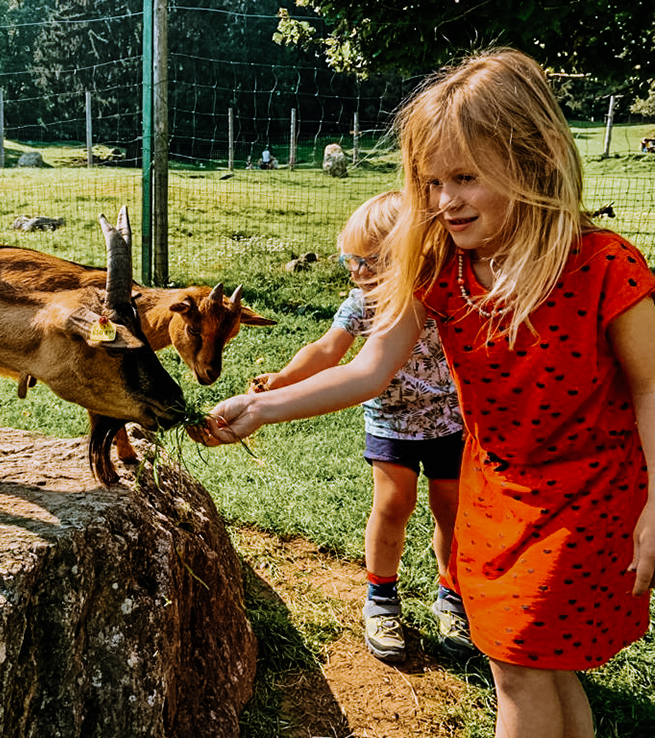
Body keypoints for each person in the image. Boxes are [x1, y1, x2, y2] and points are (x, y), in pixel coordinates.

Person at [194, 48, 655, 738]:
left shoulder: (605, 265)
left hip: (589, 494)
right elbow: (369, 366)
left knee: (518, 668)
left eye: (465, 178)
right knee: (544, 667)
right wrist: (263, 405)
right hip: (493, 491)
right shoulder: (443, 269)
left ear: (532, 159)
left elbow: (651, 385)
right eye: (431, 183)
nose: (443, 201)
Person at [250, 190, 472, 662]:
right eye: (350, 261)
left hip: (451, 421)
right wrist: (284, 379)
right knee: (394, 503)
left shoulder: (444, 294)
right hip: (390, 420)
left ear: (412, 255)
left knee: (451, 509)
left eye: (369, 261)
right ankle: (381, 600)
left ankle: (454, 598)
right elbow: (328, 349)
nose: (357, 273)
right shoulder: (361, 303)